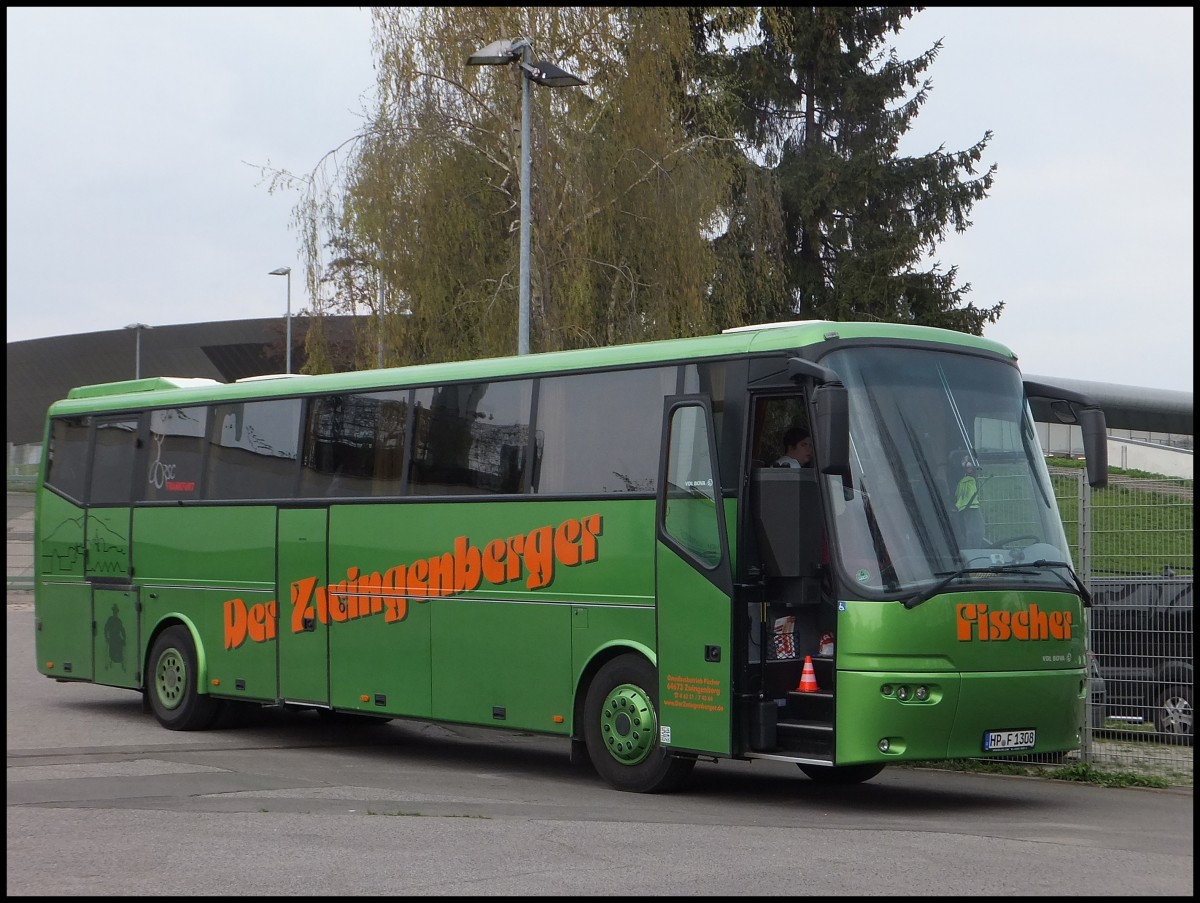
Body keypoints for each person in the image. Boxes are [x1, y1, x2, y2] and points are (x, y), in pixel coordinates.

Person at [955, 455, 984, 546]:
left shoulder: (961, 482)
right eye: (968, 468)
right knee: (978, 530)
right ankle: (974, 549)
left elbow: (957, 494)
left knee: (969, 529)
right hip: (972, 507)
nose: (971, 469)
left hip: (964, 508)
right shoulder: (970, 480)